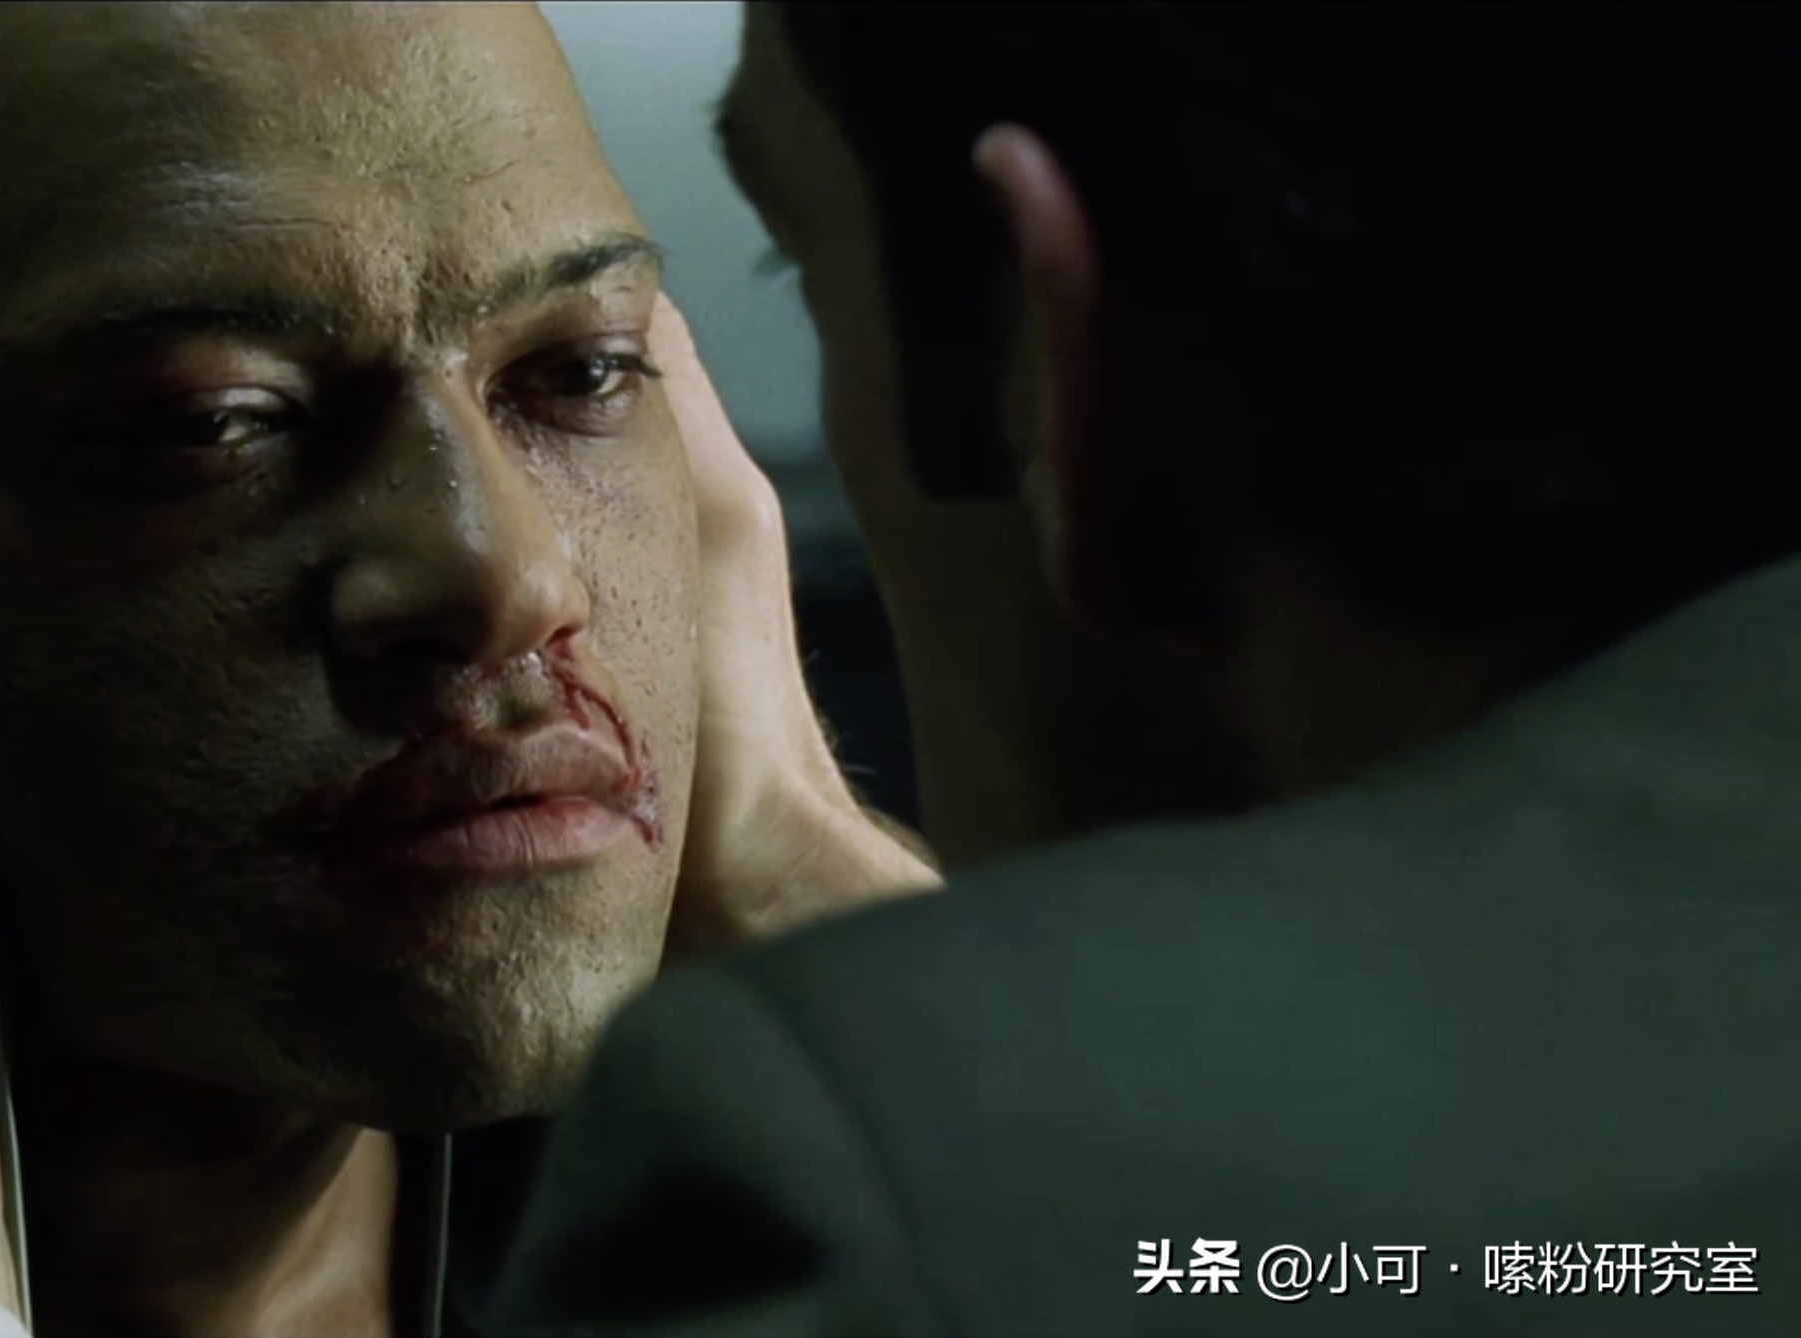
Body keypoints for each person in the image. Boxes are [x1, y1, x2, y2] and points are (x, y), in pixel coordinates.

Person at [0, 3, 932, 1335]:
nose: (512, 579)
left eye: (583, 372)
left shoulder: (756, 1187)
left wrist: (797, 872)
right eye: (215, 420)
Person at [487, 3, 1801, 1335]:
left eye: (796, 265)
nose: (513, 577)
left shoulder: (862, 1171)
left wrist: (811, 899)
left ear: (1058, 368)